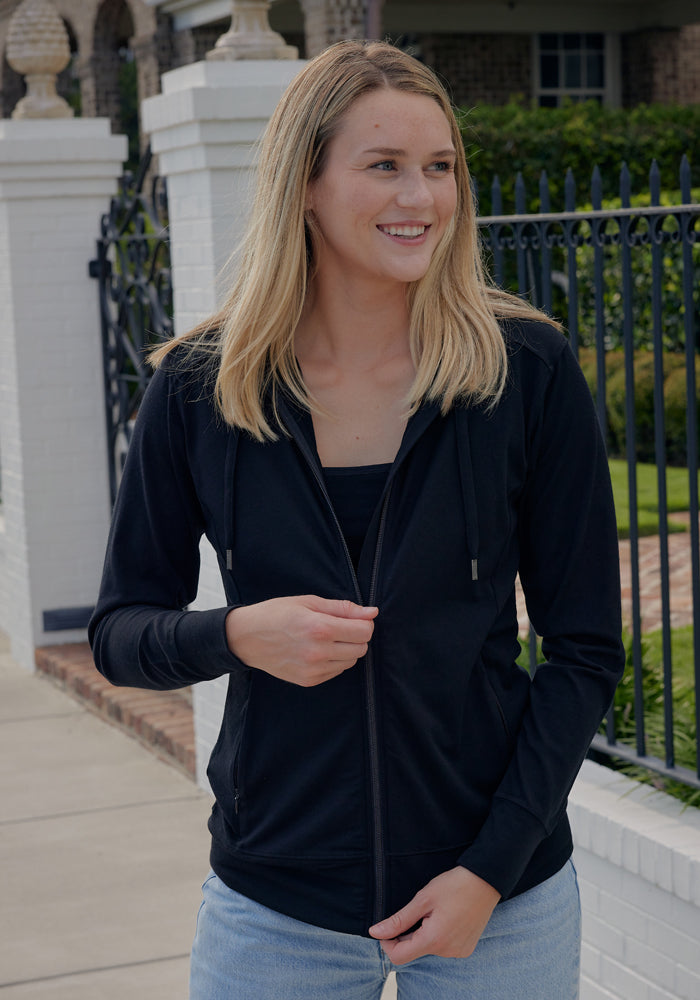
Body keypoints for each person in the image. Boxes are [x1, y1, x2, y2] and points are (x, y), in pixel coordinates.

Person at [89, 40, 624, 1000]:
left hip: (497, 906)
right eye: (384, 166)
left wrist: (490, 868)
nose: (420, 196)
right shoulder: (199, 392)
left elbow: (583, 651)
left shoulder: (525, 372)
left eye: (440, 167)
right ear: (304, 183)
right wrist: (237, 634)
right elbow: (121, 635)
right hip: (277, 907)